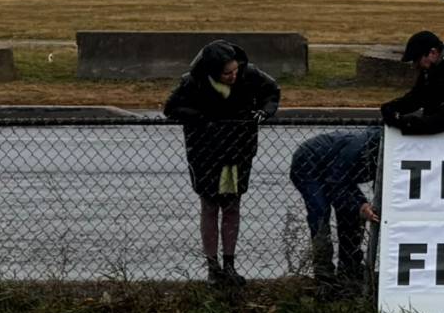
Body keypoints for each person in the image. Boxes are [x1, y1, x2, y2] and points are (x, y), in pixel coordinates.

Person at [162, 40, 282, 286]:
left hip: (239, 152)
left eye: (235, 70)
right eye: (227, 74)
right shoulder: (192, 82)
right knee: (209, 206)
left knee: (232, 206)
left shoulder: (250, 75)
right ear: (213, 72)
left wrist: (264, 111)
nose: (233, 76)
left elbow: (272, 91)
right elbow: (171, 108)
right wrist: (202, 119)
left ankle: (229, 264)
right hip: (205, 154)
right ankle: (212, 267)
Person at [288, 127, 380, 295]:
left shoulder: (385, 155)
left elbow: (377, 188)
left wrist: (368, 206)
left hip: (337, 171)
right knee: (320, 212)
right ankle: (324, 276)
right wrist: (361, 205)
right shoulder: (358, 149)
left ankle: (349, 268)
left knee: (350, 212)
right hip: (308, 164)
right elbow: (336, 182)